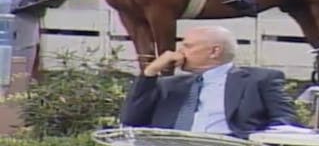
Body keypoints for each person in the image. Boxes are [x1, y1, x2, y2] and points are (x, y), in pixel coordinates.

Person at [119, 26, 297, 139]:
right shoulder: (169, 84)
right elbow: (131, 120)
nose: (178, 52)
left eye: (187, 46)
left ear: (214, 51)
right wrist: (149, 72)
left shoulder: (259, 80)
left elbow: (285, 122)